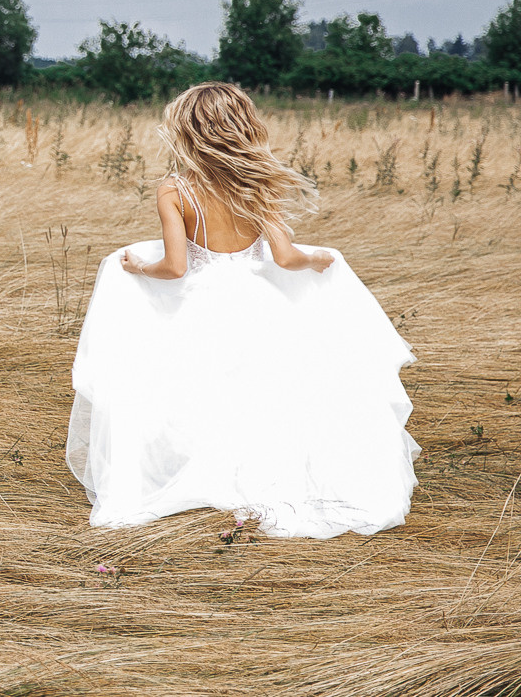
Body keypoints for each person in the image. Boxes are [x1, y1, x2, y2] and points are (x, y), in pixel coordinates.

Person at [65, 82, 419, 538]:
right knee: (266, 394)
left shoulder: (175, 189)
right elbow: (287, 257)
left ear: (187, 130)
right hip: (257, 304)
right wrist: (317, 260)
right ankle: (269, 477)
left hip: (202, 306)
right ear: (241, 126)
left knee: (199, 393)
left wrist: (138, 267)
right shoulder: (255, 183)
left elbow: (175, 268)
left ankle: (204, 475)